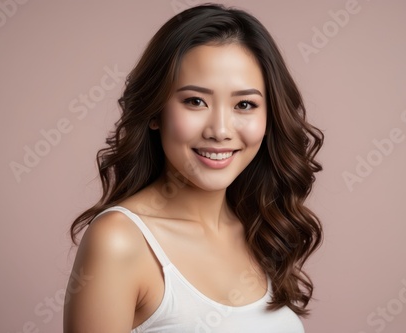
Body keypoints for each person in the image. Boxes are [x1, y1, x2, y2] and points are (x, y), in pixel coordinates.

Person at [63, 3, 324, 332]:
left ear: (269, 117)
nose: (220, 129)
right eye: (195, 101)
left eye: (244, 104)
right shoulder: (119, 241)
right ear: (155, 112)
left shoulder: (262, 229)